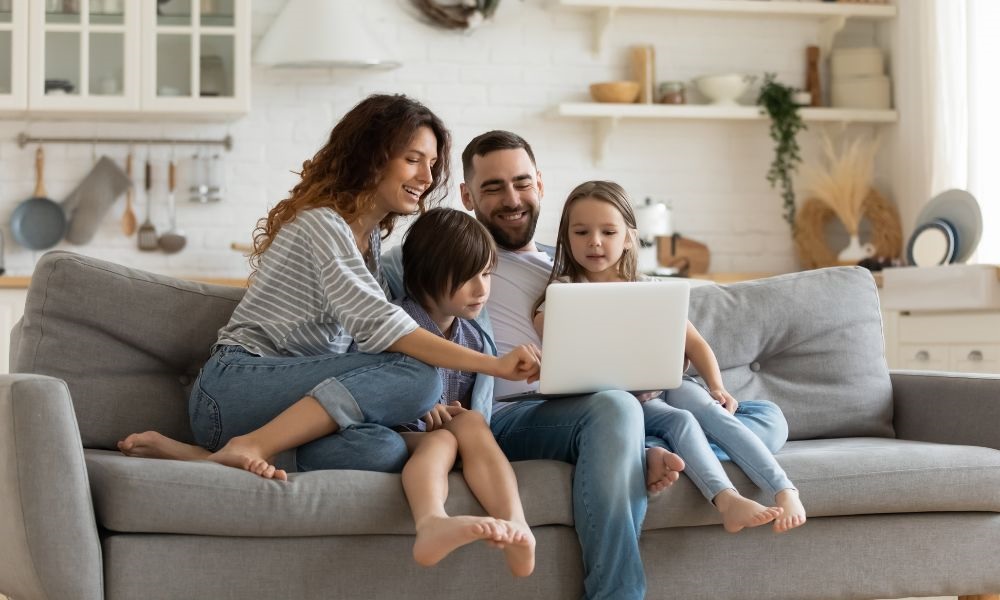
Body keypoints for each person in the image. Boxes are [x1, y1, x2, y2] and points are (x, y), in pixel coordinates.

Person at [385, 131, 793, 599]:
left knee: (766, 418)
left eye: (521, 183)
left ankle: (635, 451)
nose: (512, 199)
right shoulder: (453, 256)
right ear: (467, 195)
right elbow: (395, 321)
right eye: (493, 187)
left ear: (539, 183)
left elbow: (651, 320)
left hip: (602, 403)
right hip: (516, 414)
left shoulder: (570, 263)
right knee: (619, 409)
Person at [117, 94, 541, 484]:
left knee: (385, 449)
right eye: (414, 159)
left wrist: (409, 401)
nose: (427, 177)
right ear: (373, 158)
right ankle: (250, 445)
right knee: (420, 376)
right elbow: (387, 330)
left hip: (288, 405)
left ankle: (206, 458)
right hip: (235, 390)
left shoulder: (370, 243)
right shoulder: (323, 224)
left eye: (431, 163)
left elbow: (370, 350)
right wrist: (497, 366)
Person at [531, 179, 807, 534]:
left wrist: (717, 386)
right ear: (567, 238)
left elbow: (696, 345)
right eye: (581, 232)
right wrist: (550, 316)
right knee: (683, 422)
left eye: (608, 231)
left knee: (711, 410)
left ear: (629, 236)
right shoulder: (563, 294)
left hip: (667, 384)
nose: (594, 241)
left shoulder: (649, 289)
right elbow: (555, 344)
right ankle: (726, 499)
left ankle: (785, 489)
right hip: (622, 403)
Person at [382, 207, 534, 575]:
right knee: (444, 442)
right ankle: (432, 521)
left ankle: (517, 525)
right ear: (426, 276)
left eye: (485, 273)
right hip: (397, 433)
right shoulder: (394, 325)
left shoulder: (474, 339)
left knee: (472, 425)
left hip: (448, 433)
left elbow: (470, 403)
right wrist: (416, 406)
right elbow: (367, 386)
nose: (482, 289)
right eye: (467, 278)